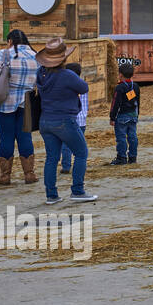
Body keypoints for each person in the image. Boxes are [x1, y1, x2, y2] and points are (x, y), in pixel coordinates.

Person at [35, 38, 96, 204]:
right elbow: (84, 88)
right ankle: (77, 190)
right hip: (64, 120)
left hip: (45, 120)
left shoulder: (40, 74)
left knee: (51, 158)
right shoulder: (67, 75)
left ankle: (51, 195)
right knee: (81, 152)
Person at [0, 29, 39, 185]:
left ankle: (5, 176)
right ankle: (29, 174)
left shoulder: (3, 54)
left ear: (10, 41)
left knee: (6, 138)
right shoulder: (35, 55)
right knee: (25, 137)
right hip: (27, 102)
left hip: (5, 101)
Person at [59, 62, 87, 175]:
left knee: (66, 145)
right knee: (80, 145)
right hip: (82, 120)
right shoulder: (84, 85)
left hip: (70, 119)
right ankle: (79, 165)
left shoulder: (66, 87)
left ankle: (66, 166)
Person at [109, 63, 140, 165]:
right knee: (133, 136)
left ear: (120, 75)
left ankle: (121, 158)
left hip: (122, 116)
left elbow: (115, 103)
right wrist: (137, 114)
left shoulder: (120, 88)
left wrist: (112, 117)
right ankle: (133, 157)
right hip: (133, 115)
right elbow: (137, 101)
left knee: (121, 137)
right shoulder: (135, 86)